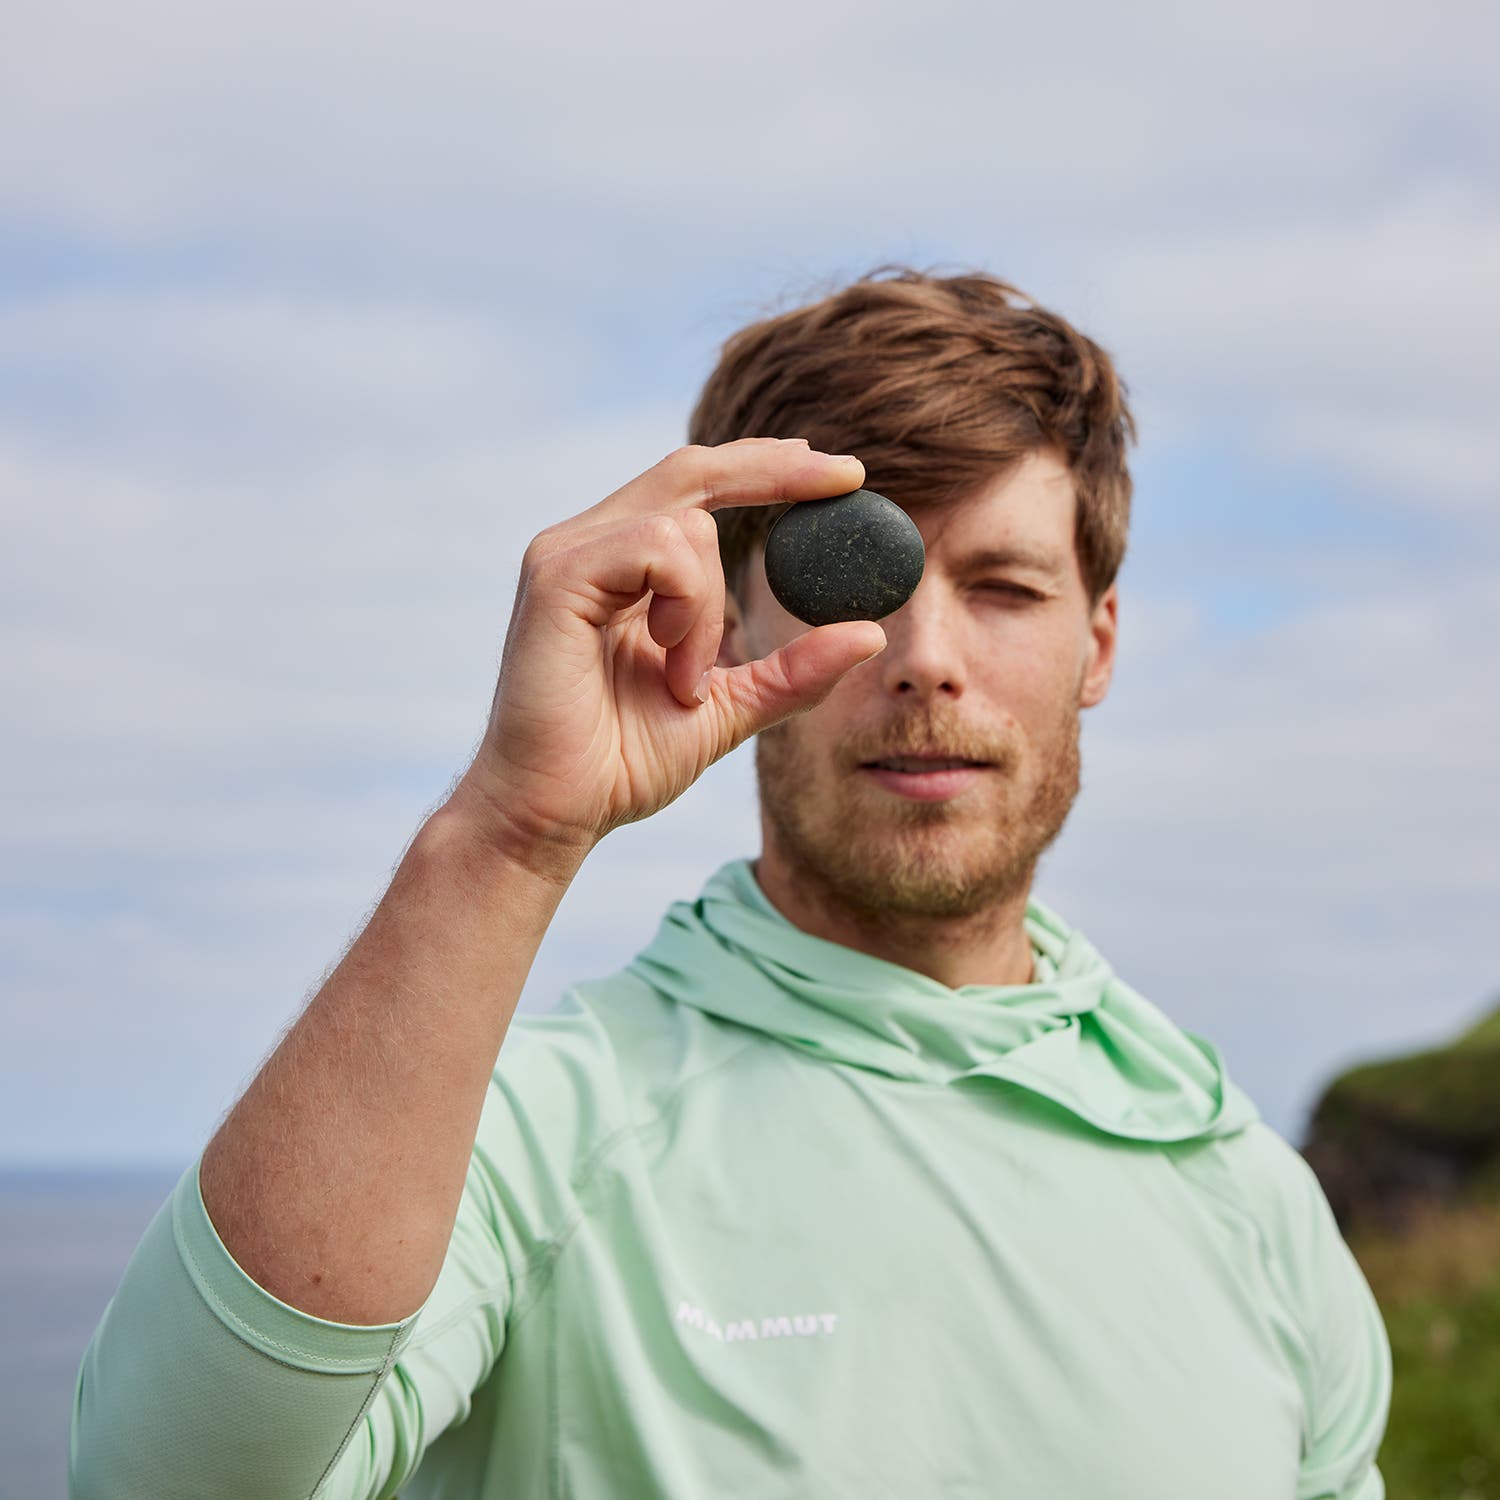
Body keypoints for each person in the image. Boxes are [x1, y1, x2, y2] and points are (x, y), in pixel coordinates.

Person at [70, 268, 1391, 1498]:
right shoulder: (532, 1139)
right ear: (730, 621)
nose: (923, 657)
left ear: (1097, 643)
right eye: (857, 582)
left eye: (1002, 586)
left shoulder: (1239, 1186)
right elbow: (165, 1476)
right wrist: (509, 832)